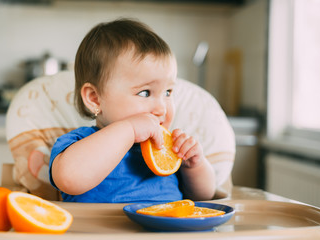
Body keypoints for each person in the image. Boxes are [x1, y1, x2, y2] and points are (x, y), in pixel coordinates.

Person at [49, 18, 216, 203]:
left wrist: (194, 166)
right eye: (145, 92)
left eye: (168, 92)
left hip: (166, 231)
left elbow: (204, 196)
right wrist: (129, 130)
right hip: (101, 232)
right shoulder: (79, 143)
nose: (161, 108)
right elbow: (69, 178)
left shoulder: (169, 150)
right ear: (95, 98)